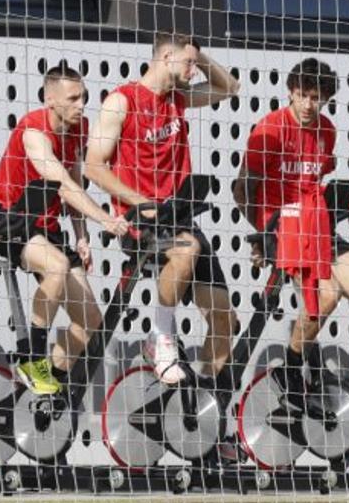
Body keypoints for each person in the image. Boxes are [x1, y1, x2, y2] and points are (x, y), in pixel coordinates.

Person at [234, 58, 349, 429]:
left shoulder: (327, 132)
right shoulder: (269, 128)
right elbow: (241, 187)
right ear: (290, 91)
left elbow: (315, 182)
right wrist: (262, 234)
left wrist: (341, 204)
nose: (308, 105)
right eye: (302, 96)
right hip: (282, 229)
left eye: (316, 98)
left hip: (317, 225)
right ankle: (289, 369)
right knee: (328, 297)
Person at [85, 33, 239, 386]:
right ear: (166, 56)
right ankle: (160, 336)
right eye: (187, 63)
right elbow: (93, 166)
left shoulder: (178, 99)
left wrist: (197, 55)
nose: (193, 71)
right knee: (188, 250)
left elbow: (230, 88)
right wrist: (141, 203)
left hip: (179, 217)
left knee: (224, 319)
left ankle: (208, 407)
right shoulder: (121, 101)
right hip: (140, 219)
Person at [0, 64, 129, 395]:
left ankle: (45, 386)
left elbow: (77, 182)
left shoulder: (79, 129)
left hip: (46, 228)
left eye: (84, 97)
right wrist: (105, 219)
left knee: (92, 322)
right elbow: (63, 185)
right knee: (57, 265)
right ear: (51, 100)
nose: (82, 105)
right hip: (8, 221)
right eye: (74, 98)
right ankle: (30, 359)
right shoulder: (33, 131)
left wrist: (81, 234)